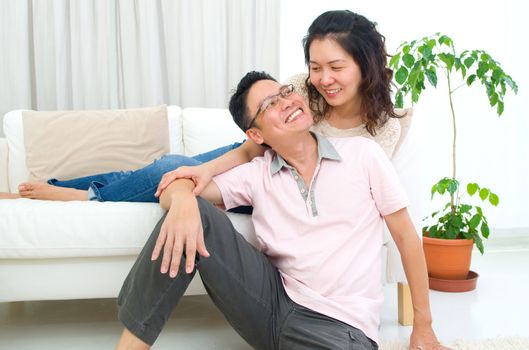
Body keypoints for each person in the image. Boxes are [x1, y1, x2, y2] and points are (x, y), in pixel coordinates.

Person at [115, 71, 448, 350]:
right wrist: (185, 201)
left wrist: (424, 324)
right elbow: (174, 184)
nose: (287, 100)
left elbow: (406, 237)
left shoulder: (363, 155)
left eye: (285, 92)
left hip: (340, 327)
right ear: (255, 134)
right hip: (270, 307)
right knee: (194, 216)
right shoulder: (257, 174)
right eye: (270, 103)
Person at [0, 10, 409, 204]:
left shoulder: (383, 129)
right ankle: (61, 188)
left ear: (365, 64)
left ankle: (82, 197)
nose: (322, 79)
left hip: (283, 186)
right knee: (170, 166)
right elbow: (255, 146)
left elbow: (364, 194)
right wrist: (204, 169)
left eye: (336, 67)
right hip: (262, 157)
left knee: (166, 171)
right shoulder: (302, 91)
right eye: (315, 67)